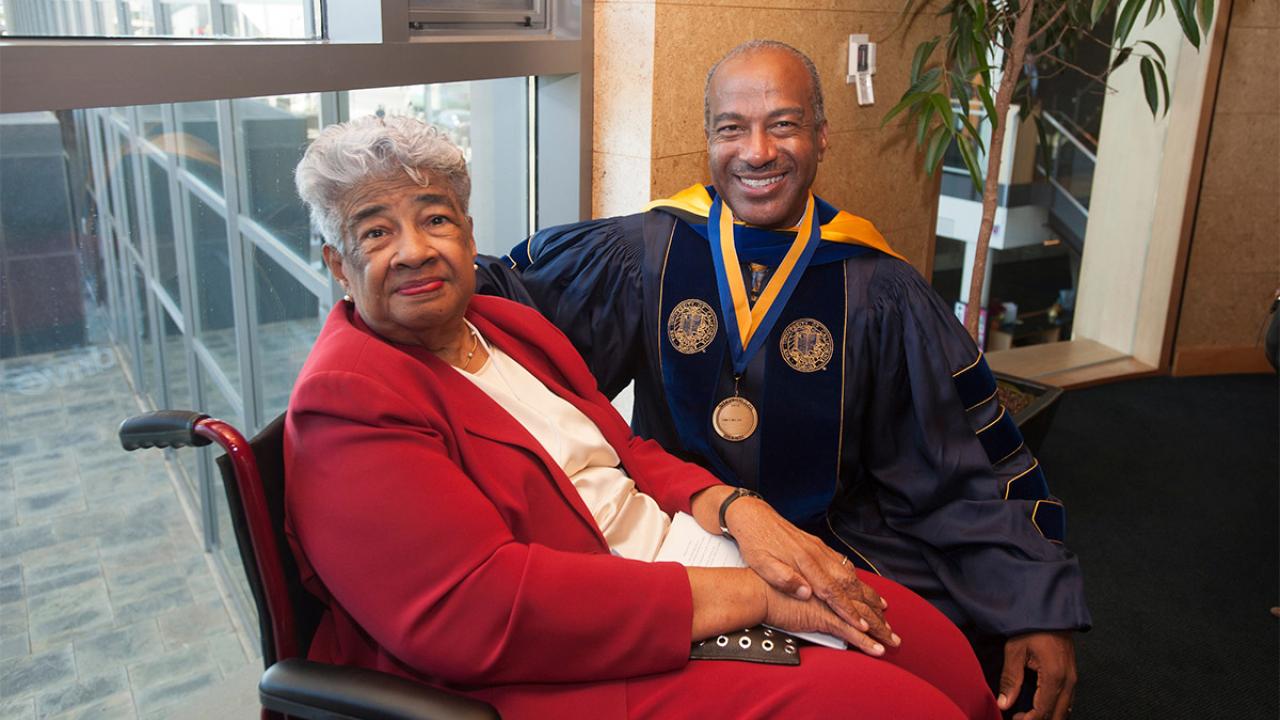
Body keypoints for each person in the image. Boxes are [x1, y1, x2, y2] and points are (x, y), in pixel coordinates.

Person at [285, 115, 1001, 719]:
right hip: (556, 654)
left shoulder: (500, 324)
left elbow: (623, 447)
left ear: (469, 237)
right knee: (907, 710)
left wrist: (737, 509)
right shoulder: (349, 399)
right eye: (374, 234)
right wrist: (754, 596)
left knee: (943, 658)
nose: (414, 251)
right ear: (338, 265)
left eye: (435, 219)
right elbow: (479, 612)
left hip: (669, 553)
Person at [506, 40, 1090, 720]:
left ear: (821, 135)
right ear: (708, 139)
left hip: (834, 534)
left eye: (782, 124)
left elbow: (955, 462)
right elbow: (501, 325)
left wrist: (1033, 597)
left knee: (960, 664)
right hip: (677, 531)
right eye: (733, 128)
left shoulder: (877, 286)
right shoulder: (644, 254)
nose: (757, 151)